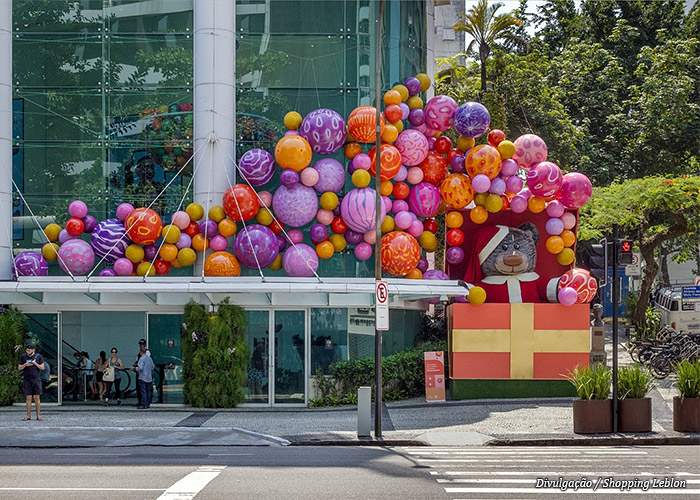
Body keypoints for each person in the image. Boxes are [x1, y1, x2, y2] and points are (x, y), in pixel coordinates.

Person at [18, 342, 44, 421]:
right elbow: (19, 367)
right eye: (26, 350)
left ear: (33, 350)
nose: (27, 352)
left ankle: (38, 415)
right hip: (27, 379)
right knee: (28, 397)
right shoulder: (23, 357)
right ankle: (28, 415)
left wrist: (35, 364)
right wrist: (25, 364)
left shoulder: (38, 357)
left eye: (29, 350)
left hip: (36, 379)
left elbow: (42, 367)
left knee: (36, 397)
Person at [131, 341, 154, 409]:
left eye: (142, 344)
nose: (141, 345)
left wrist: (134, 368)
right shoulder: (149, 358)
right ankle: (147, 404)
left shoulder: (142, 358)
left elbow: (140, 367)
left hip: (142, 376)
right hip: (149, 377)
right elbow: (153, 366)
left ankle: (144, 404)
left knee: (143, 391)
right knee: (147, 391)